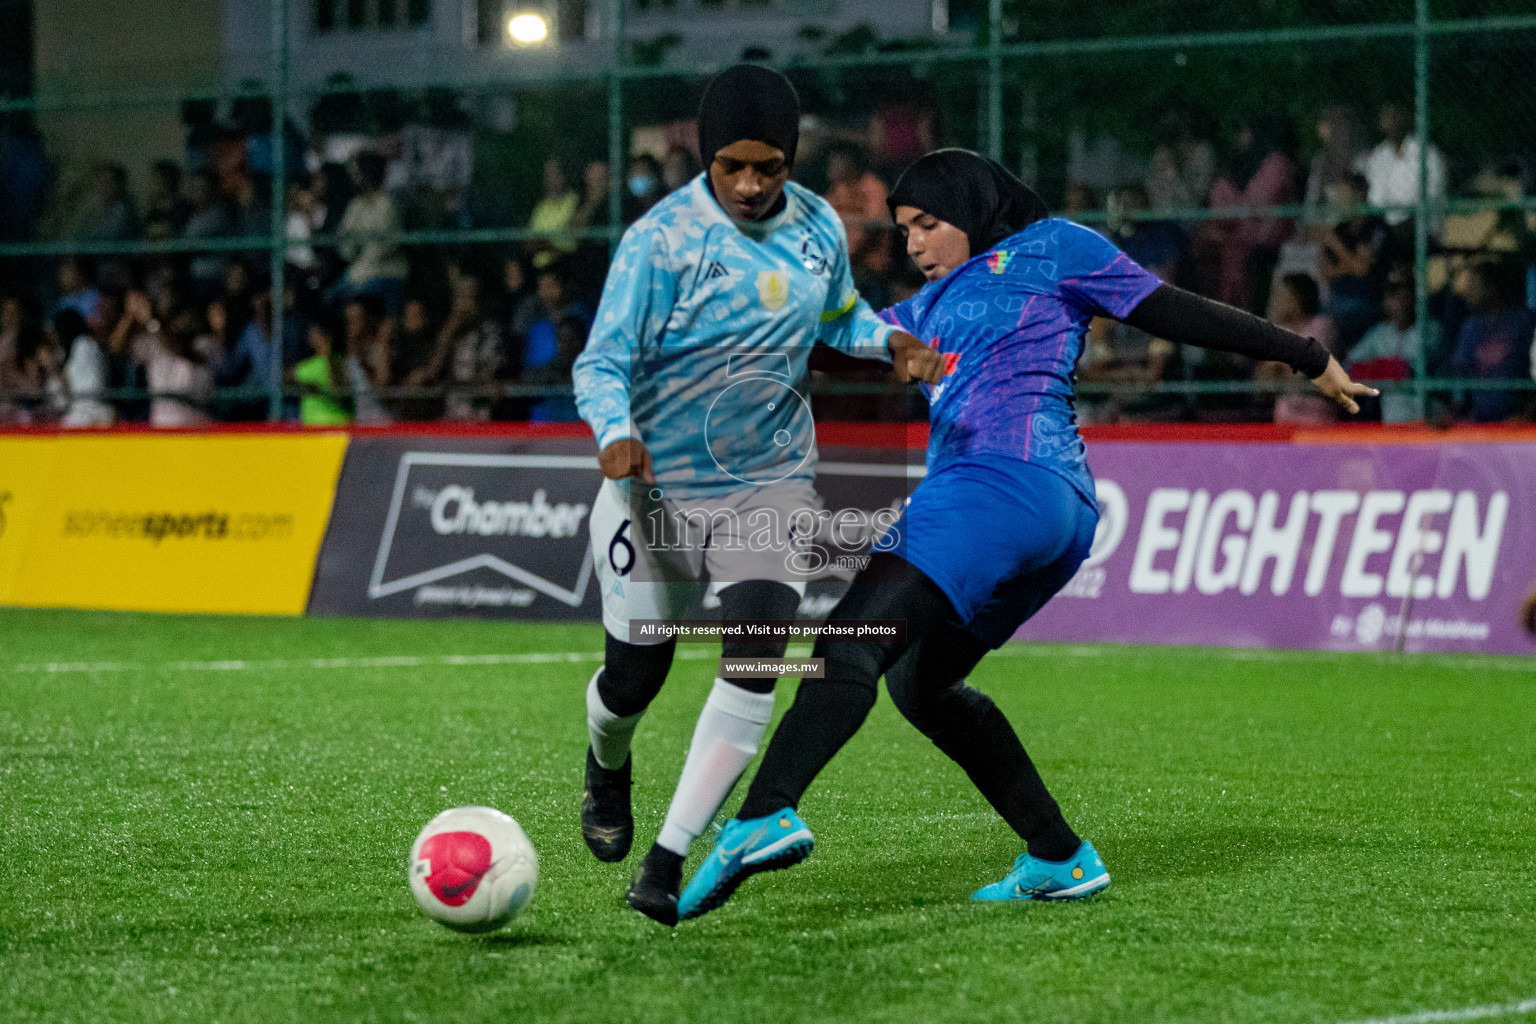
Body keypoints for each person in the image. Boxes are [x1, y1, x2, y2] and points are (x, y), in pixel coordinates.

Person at [677, 148, 1373, 921]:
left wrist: (1306, 356)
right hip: (1053, 512)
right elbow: (830, 343)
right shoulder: (928, 307)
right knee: (920, 683)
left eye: (929, 224)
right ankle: (1059, 855)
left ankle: (764, 812)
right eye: (904, 229)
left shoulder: (1055, 247)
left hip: (1000, 484)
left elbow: (1174, 309)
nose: (913, 243)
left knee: (851, 640)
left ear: (973, 210)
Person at [570, 64, 941, 927]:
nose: (749, 184)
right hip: (656, 489)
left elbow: (838, 315)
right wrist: (614, 432)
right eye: (732, 165)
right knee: (633, 678)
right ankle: (606, 762)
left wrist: (887, 340)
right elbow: (600, 361)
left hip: (768, 483)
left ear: (791, 159)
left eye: (768, 166)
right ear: (705, 158)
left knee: (760, 645)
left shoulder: (817, 223)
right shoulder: (659, 241)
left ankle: (667, 858)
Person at [1348, 267, 1436, 423]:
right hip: (1392, 419)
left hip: (1425, 419)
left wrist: (1379, 369)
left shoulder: (1429, 329)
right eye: (1393, 293)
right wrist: (1385, 369)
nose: (1399, 300)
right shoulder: (1380, 333)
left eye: (1405, 293)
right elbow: (1351, 367)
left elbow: (1409, 370)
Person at [1449, 260, 1534, 422]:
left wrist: (1527, 415)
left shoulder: (1522, 322)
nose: (1469, 291)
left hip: (1516, 421)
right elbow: (1460, 374)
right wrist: (1455, 412)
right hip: (1479, 420)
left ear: (1492, 287)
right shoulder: (1470, 327)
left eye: (1475, 284)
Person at [337, 151, 409, 313]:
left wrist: (360, 270)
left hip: (386, 274)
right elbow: (346, 245)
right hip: (358, 273)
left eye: (357, 173)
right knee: (328, 300)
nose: (354, 178)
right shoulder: (355, 206)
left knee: (354, 298)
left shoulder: (387, 205)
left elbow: (385, 246)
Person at [1359, 102, 1445, 236]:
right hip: (1385, 227)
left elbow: (1430, 195)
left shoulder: (1427, 153)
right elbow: (1375, 200)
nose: (1391, 122)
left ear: (1407, 119)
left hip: (1419, 229)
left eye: (1396, 115)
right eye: (1386, 116)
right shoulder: (1379, 156)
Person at [51, 308, 115, 428]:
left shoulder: (85, 345)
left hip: (91, 412)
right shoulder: (63, 353)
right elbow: (62, 397)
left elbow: (89, 389)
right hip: (75, 413)